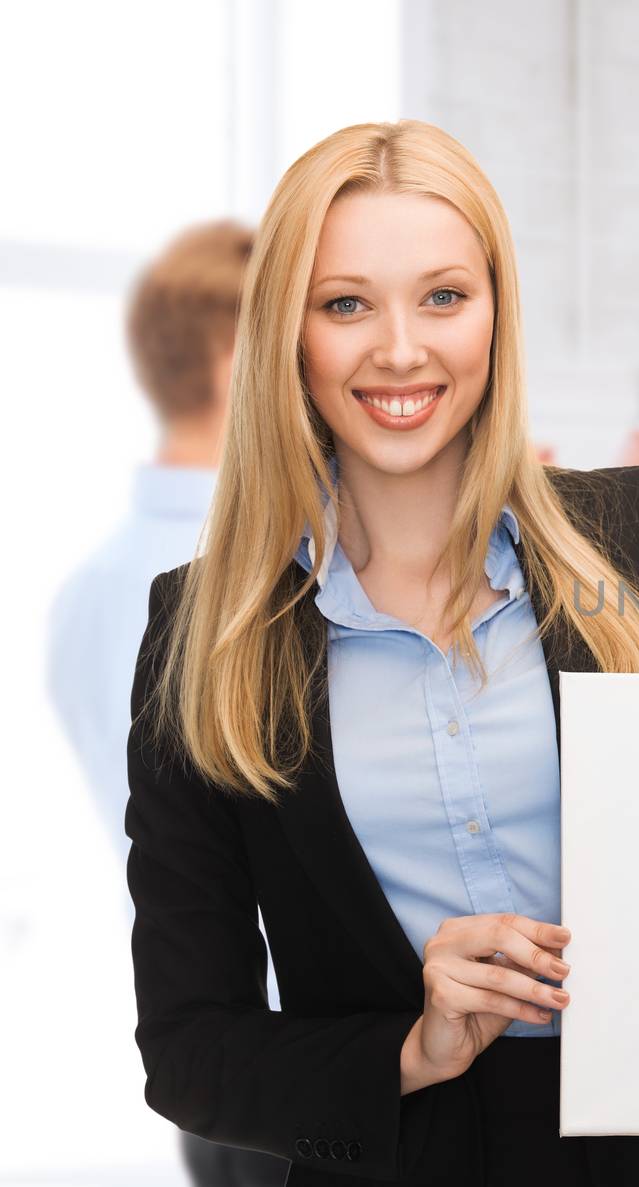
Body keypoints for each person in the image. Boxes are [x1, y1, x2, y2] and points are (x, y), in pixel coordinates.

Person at [124, 120, 639, 1186]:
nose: (401, 347)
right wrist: (412, 1046)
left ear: (496, 318)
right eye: (346, 303)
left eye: (444, 297)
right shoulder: (204, 635)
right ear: (289, 332)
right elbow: (190, 1048)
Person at [46, 219, 288, 1187]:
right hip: (301, 1066)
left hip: (230, 1068)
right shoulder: (231, 582)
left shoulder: (87, 586)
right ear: (240, 362)